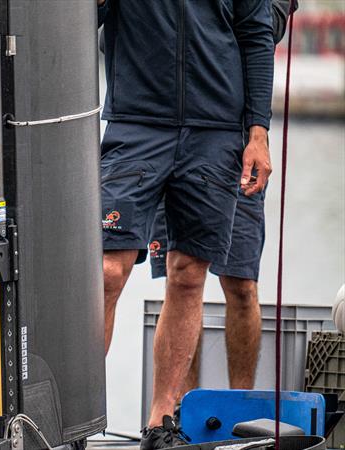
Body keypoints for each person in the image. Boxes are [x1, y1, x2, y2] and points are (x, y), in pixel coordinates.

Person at [96, 1, 275, 449]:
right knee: (106, 271)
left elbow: (256, 35)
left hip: (215, 131)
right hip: (136, 123)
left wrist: (258, 133)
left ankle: (161, 423)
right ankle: (73, 418)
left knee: (189, 273)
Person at [148, 0, 298, 395]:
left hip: (234, 140)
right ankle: (177, 410)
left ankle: (240, 405)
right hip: (166, 134)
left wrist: (257, 134)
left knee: (241, 282)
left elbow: (267, 29)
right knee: (181, 278)